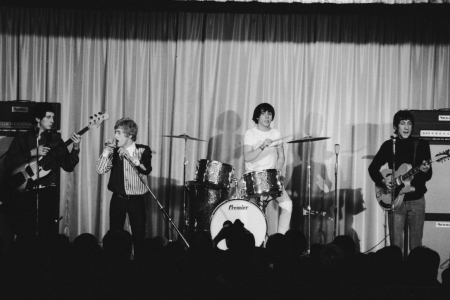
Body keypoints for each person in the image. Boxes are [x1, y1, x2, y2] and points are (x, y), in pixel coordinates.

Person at [4, 103, 81, 239]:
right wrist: (31, 152)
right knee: (26, 231)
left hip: (48, 192)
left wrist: (75, 148)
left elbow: (68, 165)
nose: (52, 121)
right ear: (38, 119)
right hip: (26, 192)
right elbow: (8, 163)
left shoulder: (56, 140)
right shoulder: (22, 139)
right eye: (48, 117)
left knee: (46, 232)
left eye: (53, 117)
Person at [368, 110, 432, 252]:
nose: (406, 127)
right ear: (396, 126)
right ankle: (397, 273)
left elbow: (428, 175)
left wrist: (425, 170)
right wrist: (383, 181)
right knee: (395, 246)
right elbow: (373, 168)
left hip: (416, 200)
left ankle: (415, 274)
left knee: (416, 246)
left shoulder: (421, 145)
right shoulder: (389, 145)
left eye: (409, 123)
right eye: (402, 123)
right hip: (395, 200)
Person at [96, 118, 152, 258]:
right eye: (115, 132)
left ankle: (139, 265)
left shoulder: (143, 149)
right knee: (116, 235)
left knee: (139, 235)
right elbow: (100, 170)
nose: (115, 136)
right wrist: (107, 150)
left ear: (130, 135)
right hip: (118, 199)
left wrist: (131, 158)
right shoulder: (113, 151)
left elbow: (146, 170)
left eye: (118, 133)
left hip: (136, 200)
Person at [243, 103, 293, 234]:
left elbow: (281, 156)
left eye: (269, 114)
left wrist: (278, 170)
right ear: (257, 117)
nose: (267, 117)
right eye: (263, 113)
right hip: (254, 178)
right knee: (254, 211)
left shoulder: (276, 133)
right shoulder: (250, 133)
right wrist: (262, 146)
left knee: (287, 204)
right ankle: (255, 241)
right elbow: (247, 157)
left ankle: (280, 238)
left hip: (271, 178)